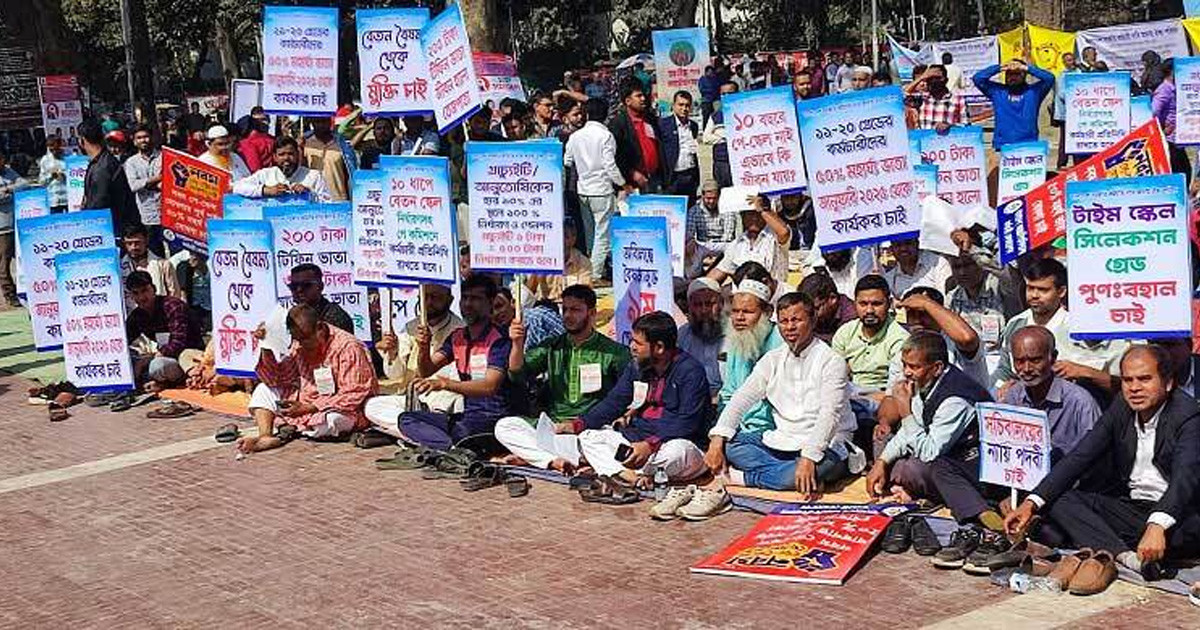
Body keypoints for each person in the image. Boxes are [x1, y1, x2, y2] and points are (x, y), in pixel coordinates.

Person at [1005, 346, 1200, 583]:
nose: (1135, 388)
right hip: (1133, 508)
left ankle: (1107, 544)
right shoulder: (1122, 406)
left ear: (1168, 383)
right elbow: (1080, 456)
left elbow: (1185, 480)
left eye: (1144, 379)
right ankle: (1128, 558)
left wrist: (1158, 525)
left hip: (1180, 514)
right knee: (1060, 500)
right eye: (1128, 380)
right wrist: (1030, 503)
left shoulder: (1188, 415)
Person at [931, 326, 1101, 529]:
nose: (1027, 369)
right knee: (943, 465)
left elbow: (1090, 468)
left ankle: (1024, 521)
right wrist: (1009, 492)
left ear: (1052, 358)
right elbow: (1001, 453)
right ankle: (984, 515)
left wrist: (1030, 497)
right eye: (1020, 361)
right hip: (1014, 483)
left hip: (1055, 490)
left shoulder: (1079, 401)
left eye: (1035, 360)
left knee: (1056, 517)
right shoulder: (1014, 395)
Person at [707, 289, 857, 495]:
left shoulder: (832, 361)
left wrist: (809, 458)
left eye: (796, 320)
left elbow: (829, 415)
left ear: (812, 320)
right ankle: (792, 476)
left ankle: (743, 477)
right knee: (732, 444)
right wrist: (717, 439)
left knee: (821, 467)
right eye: (784, 321)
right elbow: (742, 398)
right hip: (782, 439)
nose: (789, 327)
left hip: (826, 443)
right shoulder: (773, 359)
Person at [493, 285, 632, 471]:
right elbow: (517, 375)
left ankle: (536, 457)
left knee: (604, 441)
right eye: (564, 309)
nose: (567, 315)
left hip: (591, 430)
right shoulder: (552, 347)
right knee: (505, 426)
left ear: (592, 313)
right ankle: (555, 461)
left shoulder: (614, 353)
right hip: (554, 428)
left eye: (575, 310)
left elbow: (627, 397)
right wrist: (517, 344)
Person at [568, 311, 711, 484]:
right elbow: (614, 403)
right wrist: (578, 424)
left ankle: (617, 470)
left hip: (673, 444)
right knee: (588, 437)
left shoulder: (690, 372)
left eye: (638, 343)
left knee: (676, 452)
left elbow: (687, 422)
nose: (632, 347)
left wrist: (650, 445)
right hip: (637, 441)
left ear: (659, 347)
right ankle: (632, 476)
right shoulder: (637, 366)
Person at [866, 332, 992, 503]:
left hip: (966, 463)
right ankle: (902, 484)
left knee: (909, 469)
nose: (907, 373)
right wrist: (881, 462)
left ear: (937, 368)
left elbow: (929, 453)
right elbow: (909, 430)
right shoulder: (923, 381)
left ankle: (910, 487)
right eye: (905, 365)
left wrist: (905, 409)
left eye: (914, 367)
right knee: (883, 440)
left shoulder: (956, 399)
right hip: (931, 447)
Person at [238, 305, 378, 453]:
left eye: (305, 339)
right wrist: (266, 345)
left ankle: (288, 431)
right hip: (306, 401)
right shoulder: (299, 343)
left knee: (332, 421)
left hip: (340, 407)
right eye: (297, 339)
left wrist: (311, 407)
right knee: (263, 390)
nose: (301, 344)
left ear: (320, 328)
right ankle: (266, 435)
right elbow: (277, 378)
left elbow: (355, 392)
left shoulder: (348, 347)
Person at [396, 275, 513, 452]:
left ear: (490, 303)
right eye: (464, 298)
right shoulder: (457, 337)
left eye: (475, 299)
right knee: (407, 419)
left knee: (462, 432)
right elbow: (426, 370)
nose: (467, 304)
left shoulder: (500, 339)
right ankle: (453, 450)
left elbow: (490, 386)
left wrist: (445, 384)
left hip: (494, 419)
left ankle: (452, 447)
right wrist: (424, 347)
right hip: (467, 417)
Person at [993, 258, 1126, 403]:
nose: (1034, 295)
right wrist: (1001, 387)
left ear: (1061, 291)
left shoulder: (1079, 329)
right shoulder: (1015, 324)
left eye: (1043, 290)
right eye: (1030, 288)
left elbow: (1115, 381)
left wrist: (1081, 371)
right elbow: (1005, 370)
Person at [365, 285, 465, 437]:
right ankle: (420, 433)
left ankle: (413, 432)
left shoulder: (460, 330)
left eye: (435, 298)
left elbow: (454, 378)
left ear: (450, 300)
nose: (429, 302)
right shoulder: (412, 327)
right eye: (425, 297)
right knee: (372, 406)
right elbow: (395, 375)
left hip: (441, 400)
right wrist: (392, 353)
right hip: (411, 398)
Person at [565, 98, 625, 281]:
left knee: (591, 234)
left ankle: (589, 269)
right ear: (606, 115)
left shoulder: (575, 136)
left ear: (587, 114)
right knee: (603, 235)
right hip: (602, 189)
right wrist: (622, 183)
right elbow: (610, 165)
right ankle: (594, 273)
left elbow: (567, 161)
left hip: (583, 189)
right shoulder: (605, 136)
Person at [714, 274, 782, 429]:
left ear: (768, 312)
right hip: (736, 425)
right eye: (735, 311)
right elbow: (728, 392)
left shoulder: (781, 343)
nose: (739, 318)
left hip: (772, 428)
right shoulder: (737, 340)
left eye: (748, 312)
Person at [124, 270, 204, 391]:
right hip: (163, 357)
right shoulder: (137, 316)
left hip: (188, 358)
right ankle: (157, 381)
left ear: (154, 289)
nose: (141, 297)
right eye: (136, 293)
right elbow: (123, 341)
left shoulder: (172, 306)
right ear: (131, 296)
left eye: (145, 291)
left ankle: (163, 381)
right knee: (128, 360)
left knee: (157, 366)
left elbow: (178, 344)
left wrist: (149, 359)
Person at [832, 274, 910, 393]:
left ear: (889, 304)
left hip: (884, 397)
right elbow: (835, 376)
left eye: (876, 304)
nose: (869, 310)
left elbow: (897, 388)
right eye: (863, 304)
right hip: (848, 394)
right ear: (855, 304)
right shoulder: (845, 332)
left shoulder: (900, 338)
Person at [898, 286, 988, 388]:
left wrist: (926, 303)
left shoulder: (954, 341)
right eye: (911, 314)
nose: (917, 320)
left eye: (923, 313)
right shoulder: (906, 346)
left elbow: (967, 339)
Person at [706, 194, 790, 290]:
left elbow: (784, 232)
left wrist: (762, 210)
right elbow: (720, 271)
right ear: (742, 216)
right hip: (743, 297)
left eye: (758, 214)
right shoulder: (736, 244)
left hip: (772, 296)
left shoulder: (774, 237)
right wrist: (700, 285)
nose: (754, 218)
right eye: (750, 214)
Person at [973, 60, 1054, 150]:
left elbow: (1050, 78)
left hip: (1028, 143)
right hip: (1003, 143)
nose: (1012, 77)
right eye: (1009, 74)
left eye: (1016, 74)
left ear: (1024, 75)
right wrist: (1000, 67)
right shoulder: (997, 91)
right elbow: (977, 78)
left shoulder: (1034, 92)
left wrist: (1026, 67)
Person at [78, 119, 136, 235]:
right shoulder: (100, 162)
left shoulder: (103, 167)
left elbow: (100, 203)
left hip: (109, 230)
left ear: (82, 140)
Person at [232, 137, 332, 202]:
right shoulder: (266, 174)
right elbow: (237, 187)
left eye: (290, 154)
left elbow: (328, 202)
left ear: (297, 154)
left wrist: (309, 193)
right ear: (274, 157)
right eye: (281, 154)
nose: (286, 158)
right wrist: (265, 190)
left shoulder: (313, 176)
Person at [946, 245, 1006, 351]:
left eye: (968, 265)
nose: (962, 273)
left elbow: (1006, 273)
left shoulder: (999, 286)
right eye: (956, 267)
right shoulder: (952, 297)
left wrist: (972, 249)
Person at [609, 79, 663, 193]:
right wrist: (632, 173)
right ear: (628, 101)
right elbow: (615, 156)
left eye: (643, 95)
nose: (643, 99)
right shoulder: (618, 124)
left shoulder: (651, 118)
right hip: (632, 183)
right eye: (638, 96)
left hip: (654, 178)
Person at [677, 277, 725, 397]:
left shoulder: (736, 335)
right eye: (698, 305)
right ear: (689, 307)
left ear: (721, 304)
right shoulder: (683, 335)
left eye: (709, 304)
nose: (704, 310)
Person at [527, 216, 592, 302]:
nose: (561, 240)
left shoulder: (583, 262)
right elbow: (528, 293)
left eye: (565, 236)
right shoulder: (540, 258)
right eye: (557, 235)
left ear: (574, 238)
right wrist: (538, 275)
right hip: (545, 306)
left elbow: (584, 294)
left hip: (571, 306)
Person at [123, 124, 164, 255]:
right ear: (134, 141)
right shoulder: (131, 162)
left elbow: (170, 180)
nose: (143, 140)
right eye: (139, 138)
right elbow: (133, 186)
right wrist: (157, 179)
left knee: (175, 253)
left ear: (152, 138)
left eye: (146, 136)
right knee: (155, 253)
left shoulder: (164, 157)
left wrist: (146, 183)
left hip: (168, 213)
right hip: (147, 215)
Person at [119, 223, 180, 309]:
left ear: (146, 240)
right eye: (129, 243)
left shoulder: (163, 265)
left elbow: (174, 297)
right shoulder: (118, 269)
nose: (134, 247)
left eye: (137, 243)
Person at [684, 180, 738, 276]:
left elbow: (728, 234)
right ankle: (693, 276)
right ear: (703, 196)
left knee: (734, 246)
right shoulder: (694, 210)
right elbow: (690, 232)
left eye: (714, 198)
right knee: (690, 246)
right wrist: (691, 241)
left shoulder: (727, 209)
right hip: (703, 244)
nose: (711, 201)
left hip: (722, 243)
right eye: (708, 198)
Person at [285, 263, 354, 334]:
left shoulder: (335, 317)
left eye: (306, 285)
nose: (299, 290)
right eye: (294, 286)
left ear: (320, 287)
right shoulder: (295, 316)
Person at [1152, 59, 1190, 184]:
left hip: (1178, 136)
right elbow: (1154, 111)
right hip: (1169, 137)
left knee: (1184, 170)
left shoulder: (1174, 88)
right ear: (1171, 71)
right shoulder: (1164, 90)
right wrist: (1161, 129)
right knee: (1180, 171)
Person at [660, 91, 700, 201]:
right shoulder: (663, 125)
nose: (684, 108)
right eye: (680, 105)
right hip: (673, 177)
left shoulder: (694, 126)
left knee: (690, 207)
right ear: (673, 106)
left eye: (687, 105)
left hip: (690, 175)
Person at [798, 271, 856, 344]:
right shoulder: (812, 316)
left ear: (832, 299)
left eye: (816, 308)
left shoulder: (852, 318)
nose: (811, 315)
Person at [883, 238, 951, 298]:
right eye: (898, 245)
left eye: (908, 243)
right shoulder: (889, 278)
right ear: (891, 249)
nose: (903, 249)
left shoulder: (937, 263)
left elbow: (946, 299)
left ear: (917, 244)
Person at [302, 117, 350, 201]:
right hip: (314, 200)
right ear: (312, 123)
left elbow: (349, 174)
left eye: (324, 121)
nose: (321, 125)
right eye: (317, 121)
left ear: (329, 121)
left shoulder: (342, 145)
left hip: (338, 200)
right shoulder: (305, 144)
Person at [907, 65, 967, 131]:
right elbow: (902, 95)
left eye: (937, 78)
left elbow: (966, 126)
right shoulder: (922, 99)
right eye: (931, 78)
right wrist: (923, 76)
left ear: (946, 80)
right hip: (925, 139)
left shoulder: (958, 100)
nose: (934, 81)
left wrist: (950, 126)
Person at [702, 81, 738, 188]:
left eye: (730, 93)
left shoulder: (745, 114)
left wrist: (719, 135)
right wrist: (727, 137)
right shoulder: (715, 116)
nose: (726, 96)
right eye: (723, 94)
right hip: (721, 163)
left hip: (740, 162)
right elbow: (706, 138)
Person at [0, 152, 21, 307]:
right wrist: (8, 192)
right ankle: (9, 294)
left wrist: (7, 188)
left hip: (16, 222)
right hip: (2, 228)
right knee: (4, 263)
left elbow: (23, 184)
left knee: (21, 260)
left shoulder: (8, 172)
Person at [1052, 52, 1078, 169]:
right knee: (1065, 139)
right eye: (1068, 60)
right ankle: (1062, 163)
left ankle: (1078, 163)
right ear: (1064, 62)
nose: (1070, 62)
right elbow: (1062, 94)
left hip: (1080, 113)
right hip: (1066, 114)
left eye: (1072, 59)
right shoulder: (1062, 76)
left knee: (1078, 137)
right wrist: (1077, 98)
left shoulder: (1079, 73)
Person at [38, 137, 68, 212]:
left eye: (56, 149)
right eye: (51, 150)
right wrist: (50, 175)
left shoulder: (68, 158)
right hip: (53, 200)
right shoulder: (45, 160)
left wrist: (64, 175)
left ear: (60, 146)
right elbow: (41, 182)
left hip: (68, 199)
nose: (54, 152)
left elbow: (76, 177)